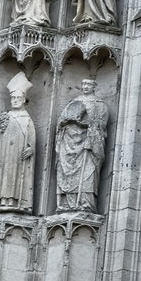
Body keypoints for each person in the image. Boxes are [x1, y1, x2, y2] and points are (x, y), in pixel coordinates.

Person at [55, 79, 109, 212]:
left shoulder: (99, 105)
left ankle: (85, 203)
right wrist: (66, 122)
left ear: (94, 87)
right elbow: (61, 122)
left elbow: (101, 124)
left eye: (88, 84)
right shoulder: (73, 103)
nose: (85, 87)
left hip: (88, 144)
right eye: (83, 84)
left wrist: (88, 128)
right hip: (69, 143)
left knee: (87, 172)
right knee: (66, 171)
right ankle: (66, 204)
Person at [0, 74, 35, 213]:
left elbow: (31, 139)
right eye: (13, 98)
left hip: (18, 157)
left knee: (15, 177)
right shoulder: (5, 117)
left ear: (24, 100)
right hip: (4, 155)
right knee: (3, 176)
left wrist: (30, 148)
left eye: (18, 98)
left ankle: (15, 202)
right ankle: (1, 201)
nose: (15, 101)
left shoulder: (27, 119)